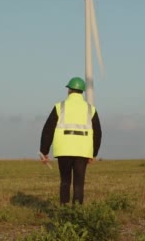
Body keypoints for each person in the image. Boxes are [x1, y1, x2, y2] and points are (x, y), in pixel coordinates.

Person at [40, 77, 102, 205]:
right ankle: (77, 214)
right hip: (83, 151)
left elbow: (48, 130)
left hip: (64, 150)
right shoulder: (91, 109)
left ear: (69, 90)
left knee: (65, 181)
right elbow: (98, 134)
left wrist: (44, 150)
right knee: (79, 184)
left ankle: (64, 211)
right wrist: (93, 153)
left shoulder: (59, 107)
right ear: (82, 91)